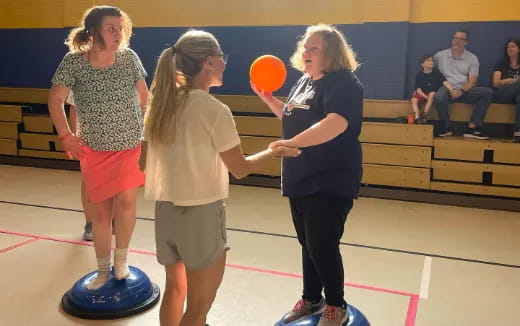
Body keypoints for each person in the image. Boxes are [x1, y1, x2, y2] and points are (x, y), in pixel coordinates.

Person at [142, 30, 300, 326]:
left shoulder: (160, 105)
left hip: (164, 211)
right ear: (210, 62)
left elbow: (143, 162)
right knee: (198, 309)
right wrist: (271, 151)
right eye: (222, 58)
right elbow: (239, 168)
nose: (225, 64)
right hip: (201, 214)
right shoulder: (214, 110)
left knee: (175, 291)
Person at [252, 24, 363, 326]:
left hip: (330, 177)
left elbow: (335, 123)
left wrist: (292, 143)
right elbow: (293, 118)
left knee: (322, 244)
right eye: (305, 47)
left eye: (314, 47)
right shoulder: (303, 81)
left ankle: (336, 305)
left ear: (332, 53)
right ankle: (312, 298)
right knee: (307, 243)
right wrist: (269, 100)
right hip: (300, 176)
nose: (306, 52)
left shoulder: (344, 83)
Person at [48, 5, 148, 290]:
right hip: (94, 149)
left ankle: (122, 261)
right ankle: (102, 269)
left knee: (127, 204)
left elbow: (145, 97)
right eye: (111, 28)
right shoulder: (74, 62)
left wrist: (143, 131)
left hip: (129, 145)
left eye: (120, 28)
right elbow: (55, 100)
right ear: (93, 31)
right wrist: (67, 136)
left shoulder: (129, 59)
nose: (118, 34)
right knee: (101, 212)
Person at [433, 29, 493, 139]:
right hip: (447, 88)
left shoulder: (472, 58)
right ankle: (446, 128)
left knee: (487, 92)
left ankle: (472, 128)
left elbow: (472, 81)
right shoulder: (439, 56)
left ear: (466, 43)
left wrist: (461, 91)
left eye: (461, 39)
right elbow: (432, 74)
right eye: (456, 38)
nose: (457, 41)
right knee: (439, 97)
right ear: (452, 40)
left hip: (465, 90)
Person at [411, 54, 453, 124]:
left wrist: (451, 89)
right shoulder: (419, 75)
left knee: (432, 94)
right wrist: (425, 96)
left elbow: (445, 82)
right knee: (413, 99)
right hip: (423, 93)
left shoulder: (437, 73)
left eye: (432, 61)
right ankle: (417, 117)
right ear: (422, 64)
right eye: (428, 61)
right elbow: (418, 89)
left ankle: (424, 115)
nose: (431, 62)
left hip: (432, 93)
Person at [492, 39, 520, 143]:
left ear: (519, 49)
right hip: (503, 94)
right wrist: (509, 80)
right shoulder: (502, 64)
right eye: (508, 47)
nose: (509, 49)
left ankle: (518, 132)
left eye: (513, 47)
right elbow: (495, 83)